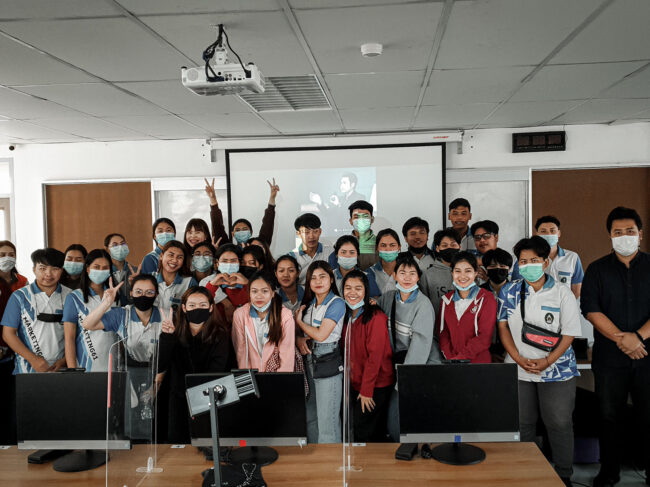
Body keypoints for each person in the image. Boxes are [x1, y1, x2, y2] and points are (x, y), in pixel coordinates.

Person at [498, 236, 581, 487]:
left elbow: (569, 333)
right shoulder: (509, 291)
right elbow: (503, 327)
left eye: (534, 260)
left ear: (545, 263)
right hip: (519, 368)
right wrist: (516, 358)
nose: (528, 265)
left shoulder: (562, 292)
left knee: (559, 422)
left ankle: (564, 474)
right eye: (523, 261)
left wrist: (547, 360)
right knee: (523, 424)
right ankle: (526, 472)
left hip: (557, 370)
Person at [580, 207, 650, 487]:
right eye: (617, 232)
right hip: (610, 358)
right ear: (610, 235)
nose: (624, 236)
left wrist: (638, 338)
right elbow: (591, 310)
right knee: (609, 416)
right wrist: (623, 339)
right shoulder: (597, 269)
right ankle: (609, 472)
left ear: (640, 234)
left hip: (648, 355)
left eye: (629, 231)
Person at [81, 274, 164, 440]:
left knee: (157, 426)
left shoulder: (165, 315)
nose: (143, 296)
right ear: (131, 293)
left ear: (156, 294)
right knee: (131, 422)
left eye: (149, 292)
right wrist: (106, 303)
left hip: (160, 372)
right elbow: (87, 324)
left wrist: (156, 385)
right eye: (138, 291)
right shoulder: (122, 314)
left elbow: (169, 353)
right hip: (130, 373)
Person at [376, 252, 441, 441]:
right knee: (393, 423)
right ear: (395, 275)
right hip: (397, 366)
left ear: (418, 277)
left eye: (412, 273)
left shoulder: (423, 304)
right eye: (402, 273)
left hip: (419, 369)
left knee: (404, 420)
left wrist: (404, 380)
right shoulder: (387, 298)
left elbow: (420, 347)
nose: (407, 278)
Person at [156, 286, 230, 444]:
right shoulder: (174, 331)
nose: (197, 309)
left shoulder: (220, 334)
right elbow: (161, 364)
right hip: (178, 398)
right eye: (192, 305)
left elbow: (217, 369)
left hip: (207, 398)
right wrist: (167, 337)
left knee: (205, 443)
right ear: (184, 308)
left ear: (211, 307)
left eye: (203, 305)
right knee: (177, 442)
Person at [294, 261, 346, 444]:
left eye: (322, 277)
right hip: (309, 360)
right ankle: (315, 459)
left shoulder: (337, 303)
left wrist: (299, 322)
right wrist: (300, 339)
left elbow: (321, 335)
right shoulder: (309, 305)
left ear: (331, 279)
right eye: (313, 278)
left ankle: (331, 462)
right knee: (311, 416)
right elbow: (305, 335)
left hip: (327, 360)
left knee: (327, 421)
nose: (318, 281)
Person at [341, 270, 394, 443]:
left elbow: (375, 358)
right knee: (357, 428)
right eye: (348, 288)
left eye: (358, 288)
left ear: (366, 291)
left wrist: (366, 391)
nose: (352, 293)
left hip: (376, 384)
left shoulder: (376, 317)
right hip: (356, 382)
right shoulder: (346, 315)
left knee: (363, 429)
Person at [1, 248, 71, 374]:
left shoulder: (71, 296)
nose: (48, 274)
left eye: (55, 269)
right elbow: (8, 334)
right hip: (26, 369)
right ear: (34, 269)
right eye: (42, 268)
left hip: (61, 369)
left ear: (62, 270)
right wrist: (33, 360)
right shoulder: (19, 296)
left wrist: (65, 360)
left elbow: (77, 334)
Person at [62, 249, 118, 371]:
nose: (100, 271)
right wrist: (72, 370)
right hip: (85, 366)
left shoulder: (116, 296)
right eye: (96, 267)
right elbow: (69, 338)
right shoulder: (74, 297)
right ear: (87, 269)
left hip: (112, 365)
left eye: (105, 268)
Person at [437, 252, 496, 363]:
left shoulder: (486, 298)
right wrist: (450, 358)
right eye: (457, 271)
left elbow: (484, 337)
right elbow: (443, 333)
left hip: (479, 363)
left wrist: (460, 357)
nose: (462, 276)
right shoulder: (446, 300)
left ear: (475, 273)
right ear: (452, 273)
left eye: (468, 271)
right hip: (452, 362)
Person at [232, 272, 296, 372]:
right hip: (251, 373)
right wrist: (247, 376)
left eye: (264, 291)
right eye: (254, 291)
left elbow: (287, 354)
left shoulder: (285, 315)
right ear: (249, 293)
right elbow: (241, 352)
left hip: (276, 373)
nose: (259, 296)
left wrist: (282, 378)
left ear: (273, 293)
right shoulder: (239, 314)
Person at [512, 216, 584, 299]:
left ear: (559, 233)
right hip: (533, 303)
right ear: (537, 234)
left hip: (564, 303)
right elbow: (517, 285)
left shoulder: (572, 257)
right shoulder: (524, 258)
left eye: (552, 231)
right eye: (543, 231)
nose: (548, 234)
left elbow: (577, 291)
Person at [0, 241, 26, 445]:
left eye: (11, 254)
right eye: (2, 254)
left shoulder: (23, 281)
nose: (7, 258)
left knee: (11, 400)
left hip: (16, 348)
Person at [206, 177, 279, 247]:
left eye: (245, 229)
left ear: (251, 232)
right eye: (237, 230)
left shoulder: (258, 248)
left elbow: (267, 227)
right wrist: (213, 199)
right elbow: (217, 227)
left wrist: (272, 199)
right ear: (233, 234)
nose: (241, 232)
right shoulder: (229, 250)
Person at [481, 248, 513, 362]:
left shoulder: (518, 292)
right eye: (493, 266)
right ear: (486, 270)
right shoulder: (478, 293)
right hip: (484, 351)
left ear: (509, 269)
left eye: (502, 266)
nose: (498, 269)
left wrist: (510, 351)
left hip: (512, 351)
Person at [420, 228, 459, 316]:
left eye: (453, 245)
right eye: (444, 245)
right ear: (437, 248)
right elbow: (424, 305)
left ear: (459, 246)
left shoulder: (469, 272)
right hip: (437, 322)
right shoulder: (427, 275)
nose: (449, 248)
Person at [289, 213, 333, 286]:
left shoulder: (330, 252)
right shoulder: (292, 257)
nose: (311, 236)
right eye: (306, 232)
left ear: (320, 231)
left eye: (315, 231)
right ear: (298, 234)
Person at [153, 241, 197, 311]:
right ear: (161, 256)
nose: (174, 260)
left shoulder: (189, 282)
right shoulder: (150, 278)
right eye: (171, 255)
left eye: (180, 257)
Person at [205, 243, 249, 312]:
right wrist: (212, 286)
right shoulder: (210, 282)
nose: (229, 264)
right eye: (224, 261)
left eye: (233, 261)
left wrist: (248, 285)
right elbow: (203, 303)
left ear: (239, 263)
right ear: (217, 263)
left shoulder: (247, 283)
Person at [366, 229, 401, 295]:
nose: (388, 249)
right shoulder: (370, 272)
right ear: (377, 248)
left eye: (392, 245)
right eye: (383, 245)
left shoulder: (407, 270)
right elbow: (373, 298)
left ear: (399, 247)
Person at [104, 233, 136, 306]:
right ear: (107, 249)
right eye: (115, 245)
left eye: (122, 244)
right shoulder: (104, 272)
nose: (120, 247)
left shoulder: (135, 271)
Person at [347, 200, 378, 270]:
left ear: (372, 220)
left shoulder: (381, 243)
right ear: (351, 221)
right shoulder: (340, 245)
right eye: (356, 217)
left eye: (365, 216)